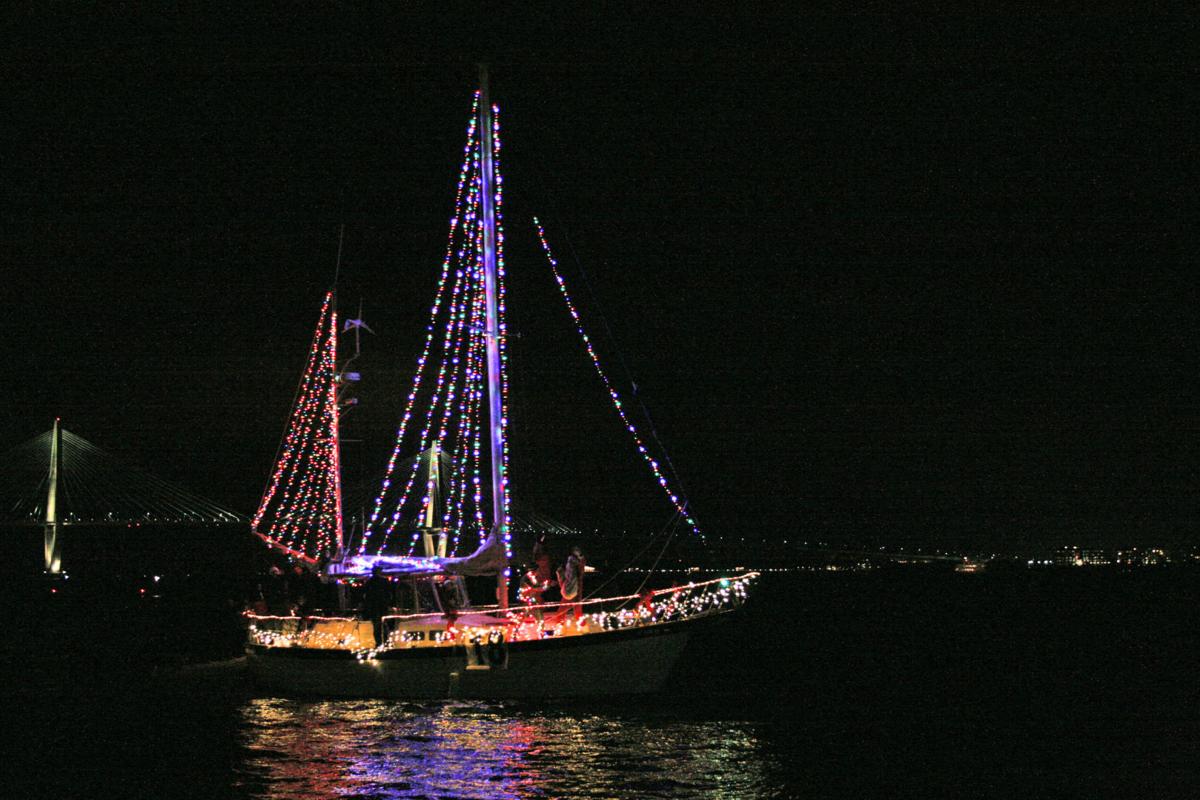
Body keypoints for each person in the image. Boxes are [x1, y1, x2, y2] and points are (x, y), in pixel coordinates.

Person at [362, 565, 391, 647]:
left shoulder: (369, 582)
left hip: (373, 606)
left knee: (376, 625)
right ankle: (385, 641)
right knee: (383, 624)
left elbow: (366, 595)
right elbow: (389, 593)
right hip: (382, 605)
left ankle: (379, 642)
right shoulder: (384, 581)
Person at [556, 545, 586, 624]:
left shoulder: (573, 561)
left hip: (573, 586)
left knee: (572, 607)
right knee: (572, 606)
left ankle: (560, 622)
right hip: (572, 587)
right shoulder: (572, 562)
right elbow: (575, 574)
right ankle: (560, 622)